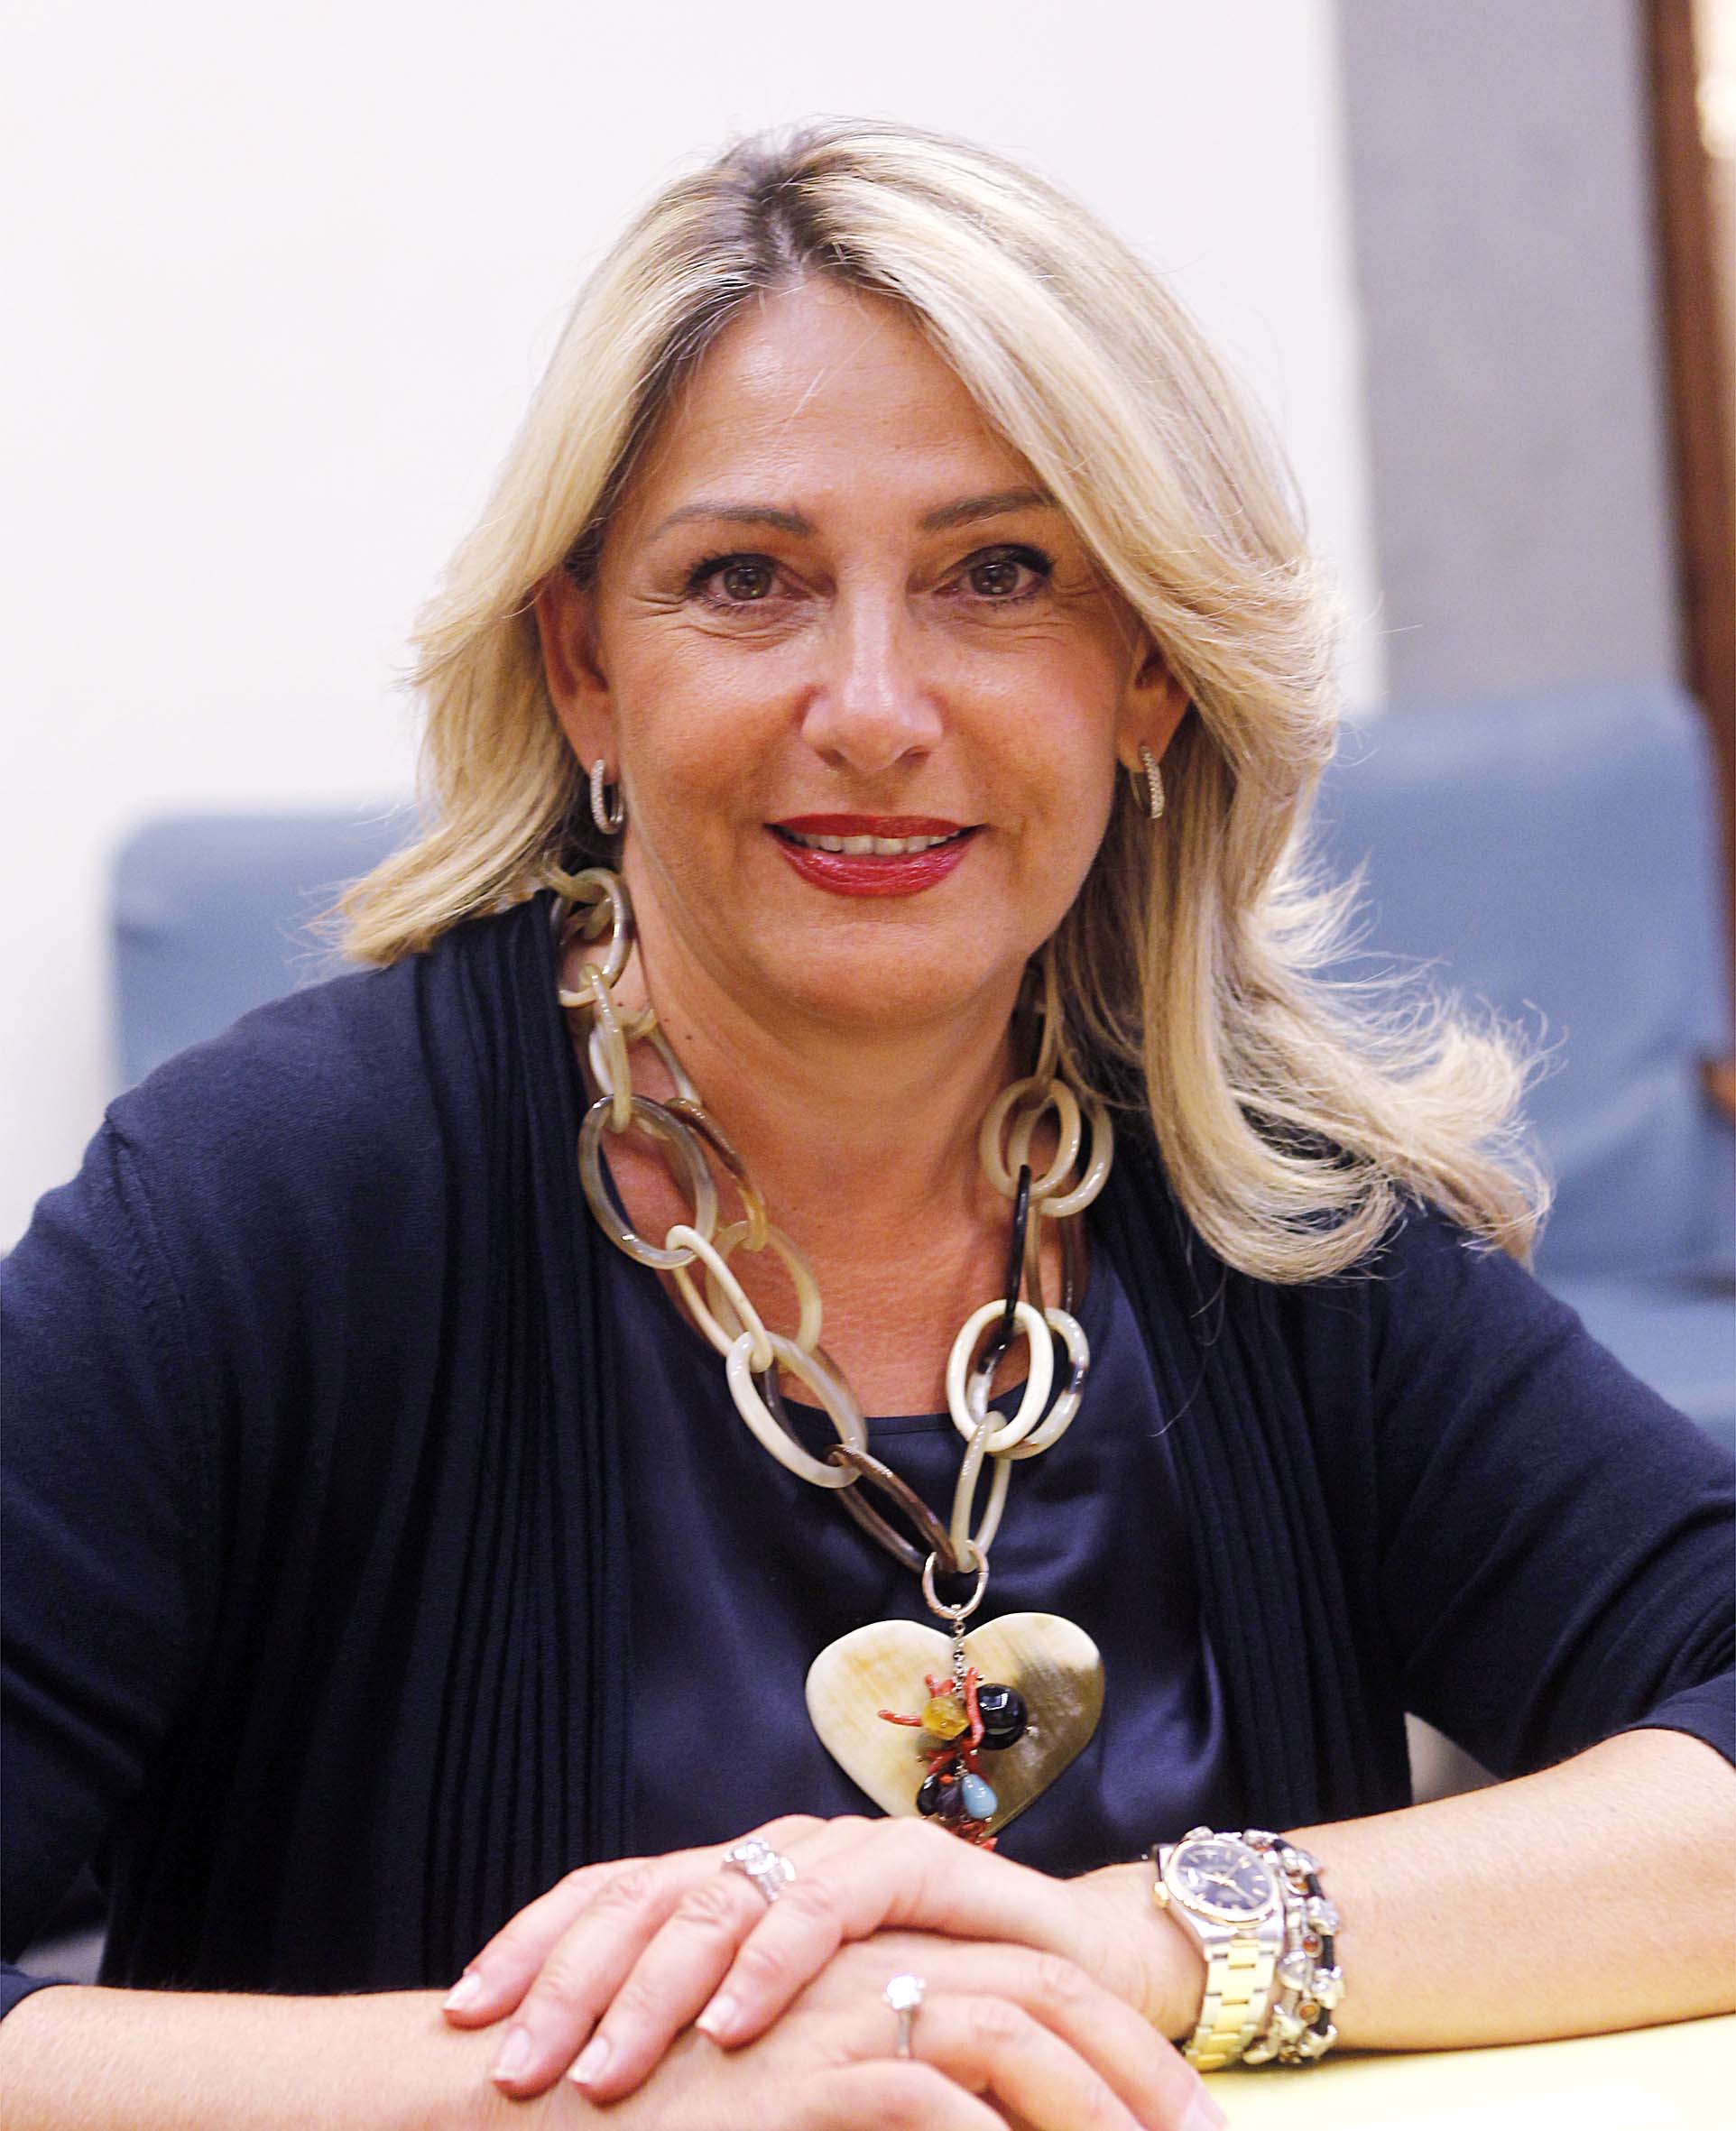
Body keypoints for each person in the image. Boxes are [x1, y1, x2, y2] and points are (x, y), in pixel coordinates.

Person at [2, 117, 1731, 2129]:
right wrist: (574, 2094)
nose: (876, 705)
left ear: (1147, 677)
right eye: (746, 580)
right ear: (583, 667)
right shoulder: (260, 1203)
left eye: (999, 575)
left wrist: (1132, 1940)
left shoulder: (1272, 1216)